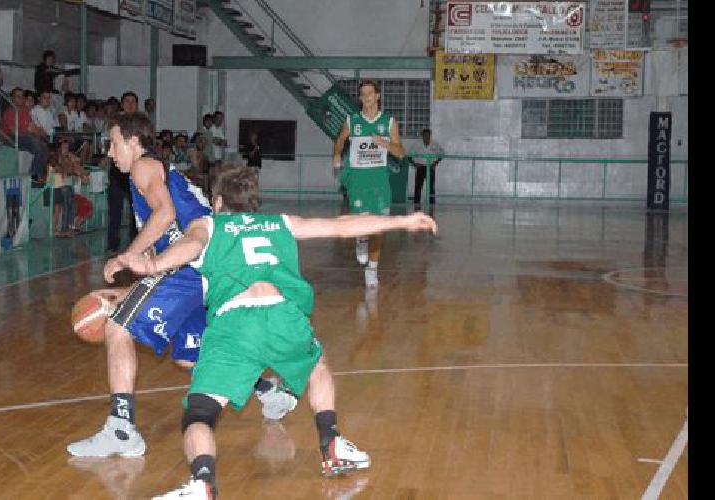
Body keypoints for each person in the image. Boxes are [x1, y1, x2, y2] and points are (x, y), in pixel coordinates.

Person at [108, 166, 437, 499]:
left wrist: (152, 265)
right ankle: (331, 441)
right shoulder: (280, 222)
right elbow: (340, 227)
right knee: (317, 366)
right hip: (282, 316)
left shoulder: (209, 223)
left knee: (200, 413)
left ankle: (202, 483)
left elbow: (190, 246)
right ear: (253, 202)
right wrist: (402, 221)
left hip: (233, 324)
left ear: (218, 201)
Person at [65, 112, 298, 459]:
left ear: (132, 141)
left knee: (118, 327)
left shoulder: (143, 166)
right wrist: (130, 289)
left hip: (190, 266)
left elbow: (165, 216)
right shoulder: (156, 169)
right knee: (193, 355)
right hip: (206, 267)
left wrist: (127, 256)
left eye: (113, 144)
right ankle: (267, 390)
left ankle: (121, 428)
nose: (110, 153)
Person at [331, 79, 406, 288]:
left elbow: (401, 153)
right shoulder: (352, 120)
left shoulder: (389, 122)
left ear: (378, 96)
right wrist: (337, 154)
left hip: (379, 180)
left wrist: (386, 143)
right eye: (363, 94)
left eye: (370, 93)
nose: (366, 97)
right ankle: (361, 239)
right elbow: (339, 139)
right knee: (361, 221)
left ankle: (372, 269)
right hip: (358, 179)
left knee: (380, 226)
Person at [104, 91, 141, 254]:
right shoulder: (115, 123)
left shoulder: (141, 124)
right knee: (115, 208)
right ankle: (112, 244)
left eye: (133, 102)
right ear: (122, 104)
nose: (130, 104)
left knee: (137, 209)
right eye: (127, 101)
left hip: (136, 169)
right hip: (118, 171)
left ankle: (136, 244)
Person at [1, 87, 50, 183]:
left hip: (25, 137)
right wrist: (30, 131)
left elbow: (33, 127)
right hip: (10, 138)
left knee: (44, 146)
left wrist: (42, 134)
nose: (20, 98)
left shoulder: (25, 110)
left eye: (22, 96)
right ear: (12, 98)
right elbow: (14, 131)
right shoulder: (9, 112)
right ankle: (34, 176)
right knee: (36, 143)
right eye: (17, 96)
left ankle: (36, 175)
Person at [409, 128, 445, 209]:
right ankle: (416, 204)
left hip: (430, 168)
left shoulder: (434, 144)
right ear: (422, 136)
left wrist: (436, 163)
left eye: (428, 135)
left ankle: (432, 205)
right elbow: (409, 156)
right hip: (420, 167)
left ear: (430, 135)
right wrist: (414, 164)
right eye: (425, 135)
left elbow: (442, 153)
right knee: (418, 186)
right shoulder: (417, 144)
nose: (426, 137)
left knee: (431, 187)